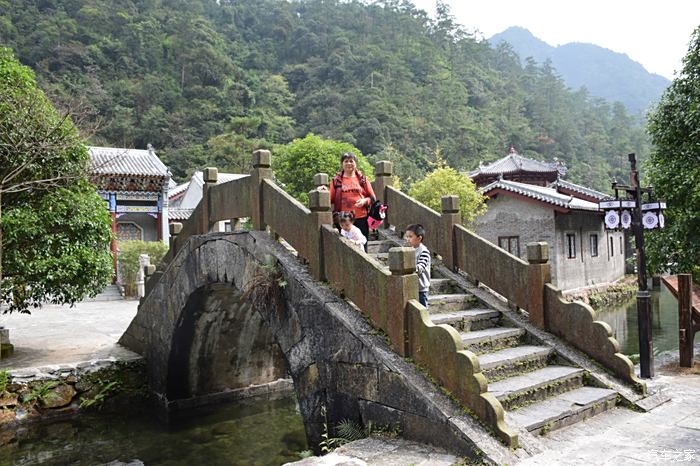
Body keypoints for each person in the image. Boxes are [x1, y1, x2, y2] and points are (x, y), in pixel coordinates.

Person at [330, 152, 376, 241]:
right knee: (345, 245)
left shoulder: (363, 179)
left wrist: (364, 201)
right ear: (342, 164)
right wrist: (322, 190)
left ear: (356, 163)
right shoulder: (336, 181)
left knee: (362, 243)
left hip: (361, 217)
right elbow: (330, 199)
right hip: (343, 219)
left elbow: (373, 198)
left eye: (351, 161)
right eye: (346, 161)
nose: (349, 163)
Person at [405, 224, 430, 308]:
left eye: (410, 236)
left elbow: (420, 267)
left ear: (419, 238)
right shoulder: (408, 249)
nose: (407, 239)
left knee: (422, 309)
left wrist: (407, 269)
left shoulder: (424, 251)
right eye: (407, 236)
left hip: (421, 288)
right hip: (410, 286)